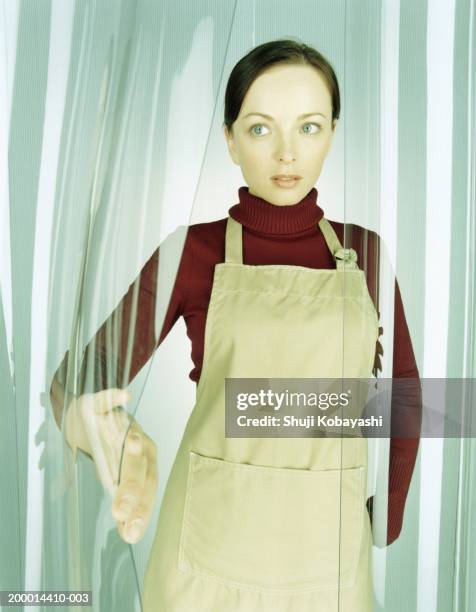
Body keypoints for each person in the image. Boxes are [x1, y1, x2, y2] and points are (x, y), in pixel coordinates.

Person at [50, 39, 421, 611]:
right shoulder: (192, 252)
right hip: (204, 562)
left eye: (309, 127)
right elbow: (82, 374)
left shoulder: (364, 253)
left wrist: (385, 516)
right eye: (260, 129)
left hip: (330, 563)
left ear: (333, 133)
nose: (286, 155)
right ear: (229, 139)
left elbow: (403, 396)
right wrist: (91, 422)